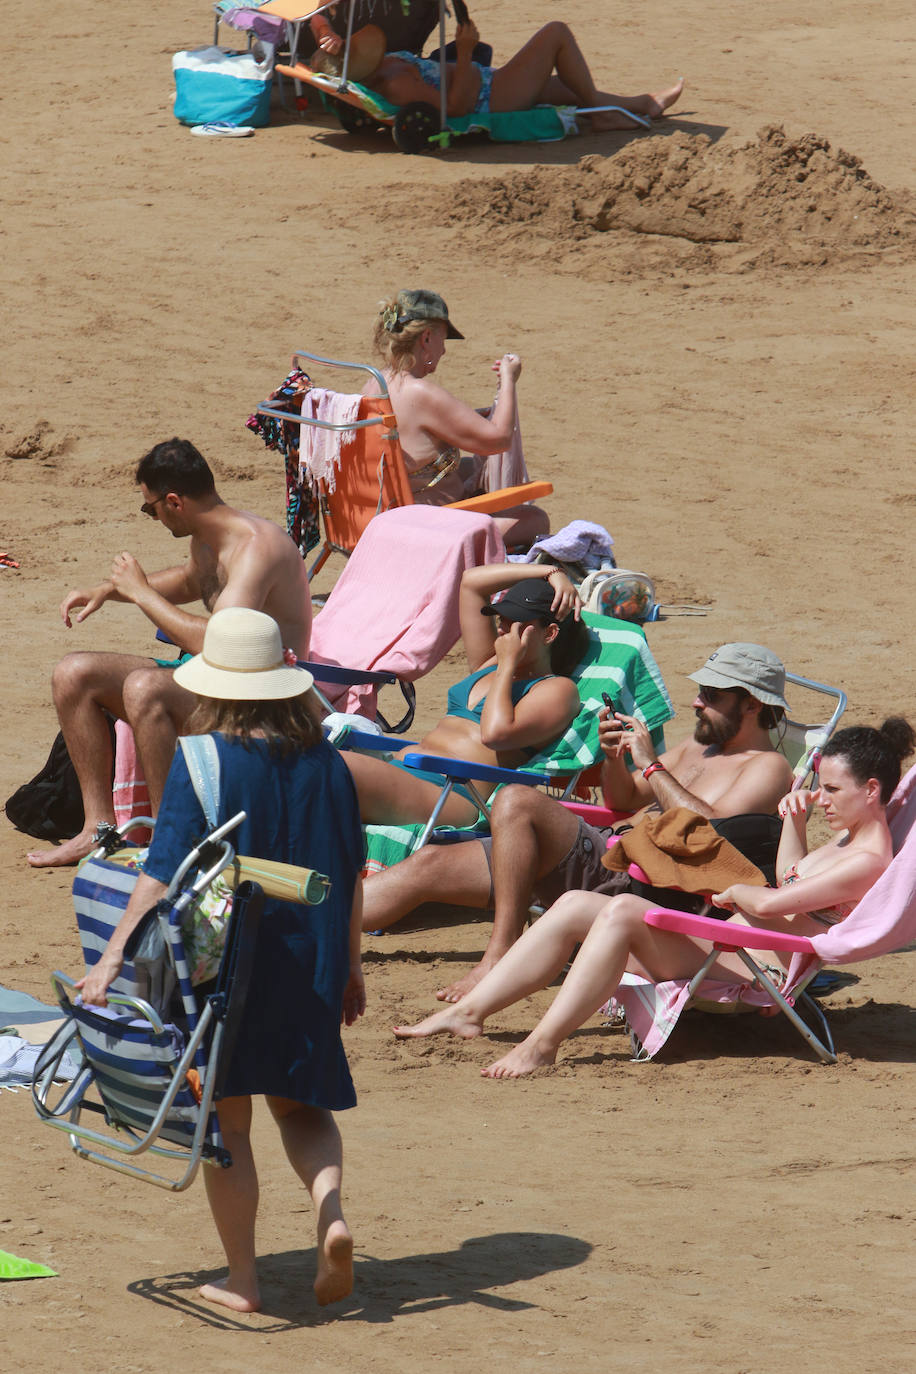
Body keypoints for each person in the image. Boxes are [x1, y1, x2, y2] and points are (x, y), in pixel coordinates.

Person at [78, 608, 365, 1312]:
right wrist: (353, 966)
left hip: (226, 967)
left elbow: (160, 873)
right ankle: (330, 1212)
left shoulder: (202, 758)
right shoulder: (330, 762)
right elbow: (352, 870)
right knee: (301, 1108)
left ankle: (243, 1281)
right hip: (315, 955)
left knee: (227, 1126)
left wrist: (112, 956)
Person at [394, 718, 915, 1076]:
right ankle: (470, 1013)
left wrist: (731, 889)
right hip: (731, 947)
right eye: (819, 787)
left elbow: (769, 904)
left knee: (622, 911)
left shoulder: (869, 861)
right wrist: (793, 824)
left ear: (871, 791)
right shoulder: (848, 842)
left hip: (756, 971)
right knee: (575, 904)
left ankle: (542, 1045)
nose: (820, 798)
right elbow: (789, 882)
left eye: (832, 790)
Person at [363, 642, 796, 1001]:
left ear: (753, 705)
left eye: (713, 696)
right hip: (606, 852)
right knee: (427, 866)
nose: (697, 702)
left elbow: (714, 830)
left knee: (517, 799)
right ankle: (311, 917)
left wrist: (650, 767)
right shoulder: (694, 749)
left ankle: (499, 954)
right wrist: (613, 760)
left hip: (638, 879)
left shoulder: (770, 766)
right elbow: (622, 800)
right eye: (702, 690)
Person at [27, 439, 310, 869]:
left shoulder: (256, 548)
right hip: (213, 683)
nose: (152, 517)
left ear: (173, 501)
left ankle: (171, 841)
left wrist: (140, 593)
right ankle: (97, 829)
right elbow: (190, 581)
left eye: (150, 508)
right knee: (73, 673)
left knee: (146, 688)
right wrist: (113, 590)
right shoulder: (206, 539)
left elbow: (222, 641)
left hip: (263, 702)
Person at [343, 561, 588, 828]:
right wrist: (552, 572)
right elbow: (472, 582)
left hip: (451, 793)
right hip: (402, 771)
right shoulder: (488, 663)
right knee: (307, 763)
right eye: (502, 621)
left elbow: (495, 734)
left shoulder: (557, 689)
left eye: (517, 624)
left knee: (332, 769)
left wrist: (506, 666)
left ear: (550, 633)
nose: (505, 632)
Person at [365, 288, 549, 549]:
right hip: (429, 527)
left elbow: (415, 430)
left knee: (469, 467)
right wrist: (508, 380)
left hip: (392, 510)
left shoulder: (375, 382)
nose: (444, 351)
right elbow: (499, 439)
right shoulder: (419, 392)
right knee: (535, 520)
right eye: (443, 339)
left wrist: (472, 419)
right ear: (427, 338)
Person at [362, 20, 684, 133]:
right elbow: (457, 110)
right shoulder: (396, 83)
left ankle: (646, 104)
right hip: (491, 98)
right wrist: (463, 51)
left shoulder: (388, 62)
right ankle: (603, 117)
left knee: (569, 88)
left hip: (490, 82)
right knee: (555, 33)